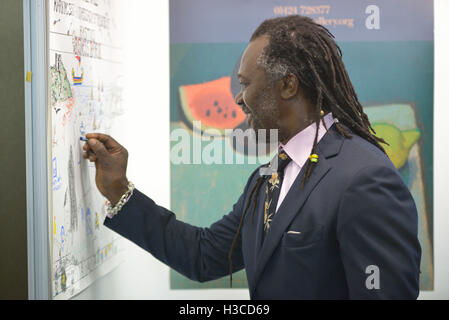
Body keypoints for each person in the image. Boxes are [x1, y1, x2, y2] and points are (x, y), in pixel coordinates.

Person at [83, 15, 421, 299]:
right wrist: (119, 191)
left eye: (245, 83)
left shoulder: (364, 177)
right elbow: (204, 254)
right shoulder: (270, 173)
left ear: (288, 84)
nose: (239, 98)